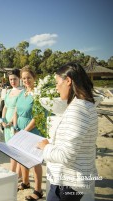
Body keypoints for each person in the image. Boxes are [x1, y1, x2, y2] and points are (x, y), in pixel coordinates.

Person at [37, 63, 98, 201]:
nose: (56, 87)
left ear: (68, 81)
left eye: (57, 83)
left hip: (67, 184)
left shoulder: (78, 110)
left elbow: (66, 156)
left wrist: (45, 147)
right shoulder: (87, 105)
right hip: (72, 181)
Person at [13, 66, 43, 200]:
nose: (26, 80)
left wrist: (24, 132)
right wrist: (15, 126)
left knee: (35, 161)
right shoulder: (22, 93)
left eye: (28, 78)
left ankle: (38, 191)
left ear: (34, 78)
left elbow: (37, 118)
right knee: (22, 156)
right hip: (20, 129)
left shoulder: (38, 94)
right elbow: (16, 110)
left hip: (33, 131)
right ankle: (25, 182)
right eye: (24, 78)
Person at [0, 69, 22, 174]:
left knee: (16, 150)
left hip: (15, 123)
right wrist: (2, 120)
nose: (12, 81)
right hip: (6, 124)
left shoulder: (22, 92)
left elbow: (17, 110)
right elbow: (5, 107)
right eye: (11, 79)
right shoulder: (8, 91)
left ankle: (14, 173)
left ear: (19, 79)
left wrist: (12, 122)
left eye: (15, 79)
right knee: (10, 149)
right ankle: (14, 172)